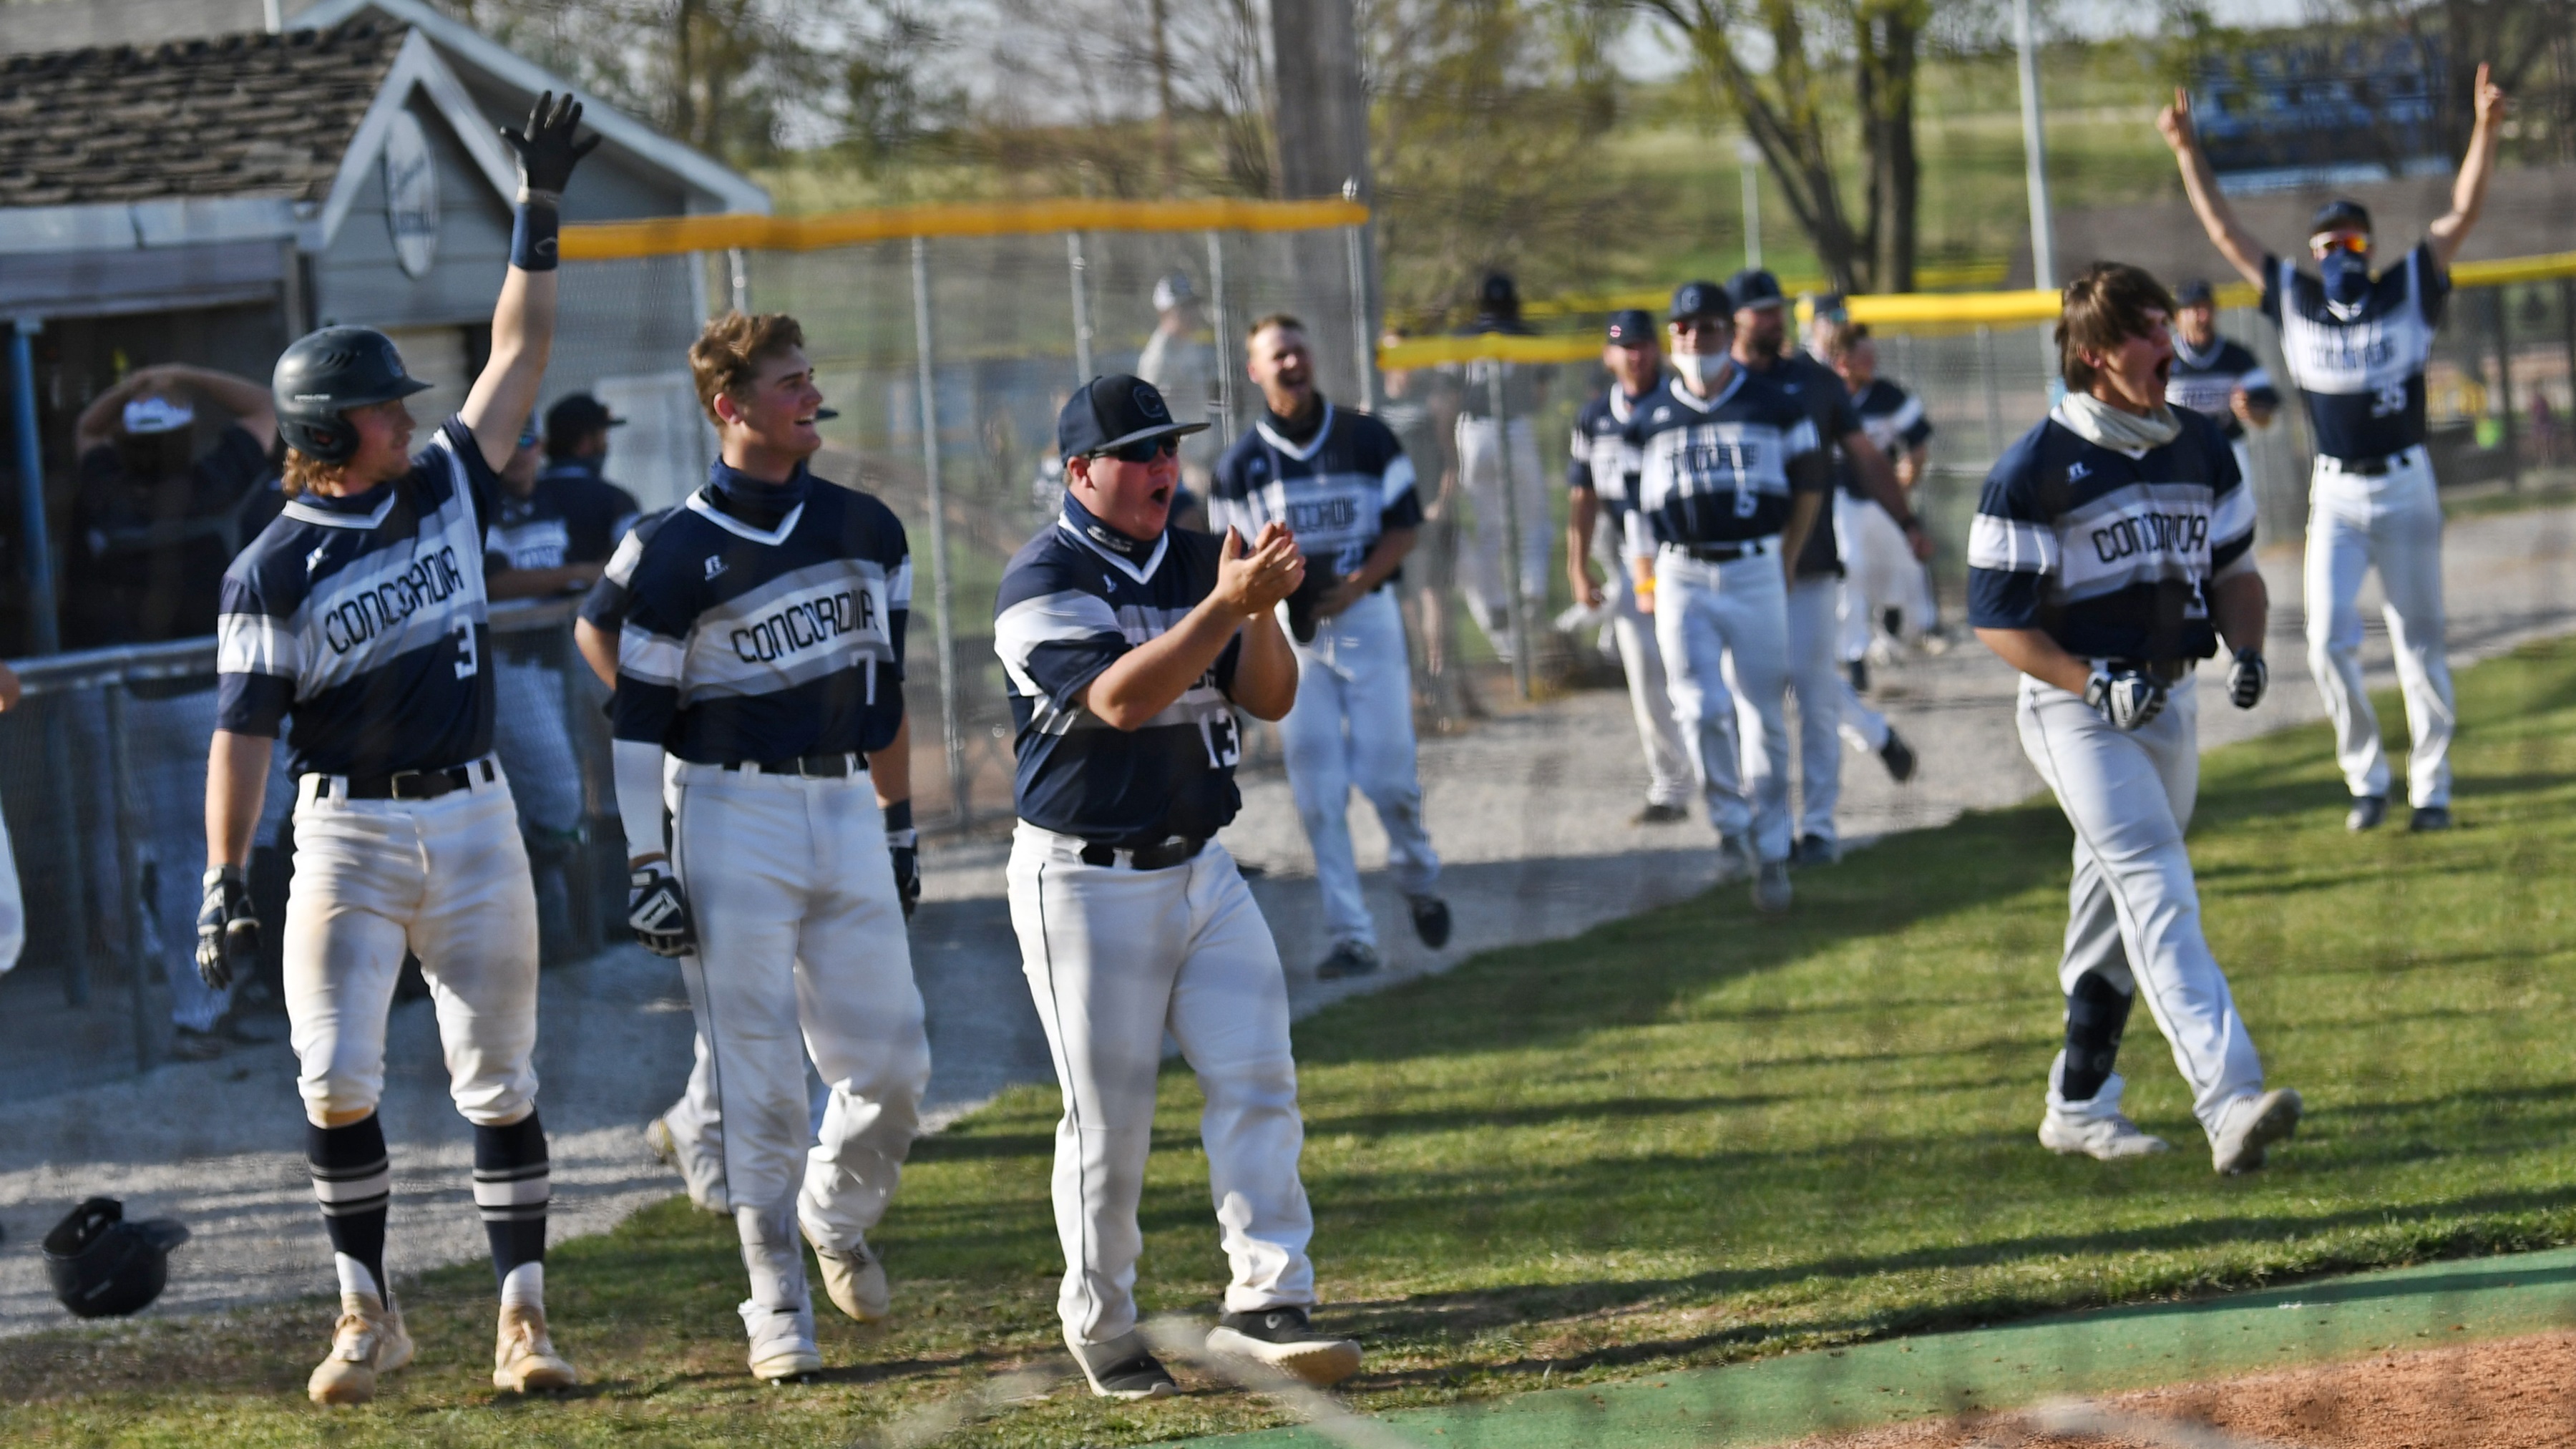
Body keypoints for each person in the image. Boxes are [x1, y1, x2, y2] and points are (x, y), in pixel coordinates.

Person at [198, 93, 596, 1405]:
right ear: (325, 434)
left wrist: (536, 214)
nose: (405, 419)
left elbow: (518, 352)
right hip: (349, 833)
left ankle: (523, 1321)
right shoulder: (270, 569)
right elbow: (244, 733)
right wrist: (222, 875)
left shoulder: (440, 486)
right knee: (333, 1075)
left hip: (475, 822)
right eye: (380, 408)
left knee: (499, 1079)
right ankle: (366, 1313)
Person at [995, 374, 1362, 1398]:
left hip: (1203, 865)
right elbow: (1121, 697)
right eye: (1140, 453)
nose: (1166, 467)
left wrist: (1260, 614)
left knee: (1258, 1077)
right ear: (1079, 473)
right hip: (1084, 880)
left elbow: (1271, 696)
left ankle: (1269, 1297)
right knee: (1110, 1121)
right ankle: (1104, 1327)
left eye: (1170, 448)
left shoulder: (1209, 555)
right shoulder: (1041, 576)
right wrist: (1223, 606)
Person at [607, 312, 929, 1383]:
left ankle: (833, 1217)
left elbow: (887, 701)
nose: (810, 395)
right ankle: (775, 1298)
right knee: (762, 1082)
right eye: (788, 382)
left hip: (843, 803)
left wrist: (901, 820)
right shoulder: (669, 547)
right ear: (728, 406)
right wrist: (648, 862)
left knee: (892, 1065)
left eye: (810, 375)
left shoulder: (870, 528)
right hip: (726, 812)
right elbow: (636, 720)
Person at [1967, 261, 2303, 1175]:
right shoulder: (2034, 466)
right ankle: (2229, 1100)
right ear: (2093, 354)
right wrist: (2086, 682)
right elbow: (2000, 619)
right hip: (2073, 710)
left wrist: (2250, 648)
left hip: (2169, 698)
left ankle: (2079, 1102)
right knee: (2156, 881)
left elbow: (2235, 568)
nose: (2167, 343)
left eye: (2165, 324)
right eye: (2145, 331)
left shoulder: (2200, 442)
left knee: (2111, 914)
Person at [2159, 66, 2509, 833]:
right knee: (2323, 641)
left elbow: (2463, 211)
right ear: (2316, 254)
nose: (2340, 251)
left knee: (2420, 643)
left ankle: (2435, 788)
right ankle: (2367, 780)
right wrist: (2189, 151)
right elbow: (2226, 234)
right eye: (2327, 243)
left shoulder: (2407, 283)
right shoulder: (2296, 296)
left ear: (2370, 245)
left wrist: (2484, 127)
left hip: (2407, 483)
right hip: (2338, 492)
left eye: (2351, 239)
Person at [1210, 316, 1451, 981]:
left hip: (1366, 620)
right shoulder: (1241, 466)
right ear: (1255, 372)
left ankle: (1419, 879)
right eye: (1276, 355)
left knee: (1389, 777)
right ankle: (1353, 935)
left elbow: (1405, 526)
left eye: (1299, 349)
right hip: (1291, 636)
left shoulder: (1365, 436)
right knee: (1317, 793)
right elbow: (1225, 566)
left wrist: (1355, 584)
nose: (1292, 362)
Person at [1624, 280, 1831, 912]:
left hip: (1754, 568)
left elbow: (1809, 487)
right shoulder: (1651, 414)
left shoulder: (1773, 403)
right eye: (1683, 330)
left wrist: (1788, 556)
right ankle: (1730, 826)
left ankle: (1772, 850)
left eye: (1708, 328)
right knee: (1697, 707)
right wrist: (1644, 576)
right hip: (1681, 570)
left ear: (1728, 333)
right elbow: (1633, 506)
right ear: (1671, 337)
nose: (1695, 340)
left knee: (1763, 712)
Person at [1728, 270, 1930, 865]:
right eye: (1758, 310)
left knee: (1814, 694)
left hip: (1811, 565)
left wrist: (1908, 521)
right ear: (1735, 319)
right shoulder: (1714, 386)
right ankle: (1763, 827)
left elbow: (1867, 457)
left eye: (1777, 310)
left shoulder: (1816, 384)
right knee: (1748, 701)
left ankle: (1817, 828)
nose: (1770, 320)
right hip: (1736, 569)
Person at [1565, 309, 1693, 825]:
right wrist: (1577, 566)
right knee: (1644, 674)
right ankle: (1672, 785)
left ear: (1657, 348)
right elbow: (1583, 495)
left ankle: (1734, 777)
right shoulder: (1594, 418)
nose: (1635, 355)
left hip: (1684, 554)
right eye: (1624, 346)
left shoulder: (1680, 402)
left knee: (1698, 669)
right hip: (1627, 559)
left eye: (1642, 344)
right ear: (1608, 354)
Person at [69, 363, 278, 647]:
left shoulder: (109, 495)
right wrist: (185, 375)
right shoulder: (217, 484)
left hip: (134, 671)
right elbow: (268, 406)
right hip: (222, 657)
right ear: (188, 437)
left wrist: (131, 388)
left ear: (123, 442)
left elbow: (88, 428)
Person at [1820, 321, 1940, 681]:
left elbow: (1917, 448)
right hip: (1840, 496)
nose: (1871, 360)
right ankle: (1853, 653)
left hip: (1881, 497)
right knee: (1850, 567)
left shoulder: (1887, 395)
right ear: (1841, 361)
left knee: (1902, 564)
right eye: (1862, 354)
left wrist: (1902, 485)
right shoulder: (1825, 395)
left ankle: (1898, 621)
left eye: (1871, 353)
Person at [1453, 270, 1551, 658]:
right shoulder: (1527, 335)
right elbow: (1541, 395)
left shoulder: (1462, 336)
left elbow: (1447, 393)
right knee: (1535, 522)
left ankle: (1497, 605)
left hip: (1473, 434)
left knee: (1492, 526)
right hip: (1515, 430)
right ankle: (1533, 595)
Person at [2162, 279, 2280, 492]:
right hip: (2179, 452)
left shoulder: (2237, 356)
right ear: (2177, 316)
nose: (2204, 317)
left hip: (2228, 448)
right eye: (2195, 309)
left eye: (2208, 308)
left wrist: (2249, 411)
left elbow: (2268, 410)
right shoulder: (2164, 359)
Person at [1136, 270, 1221, 494]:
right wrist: (1187, 465)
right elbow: (1153, 422)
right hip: (1180, 469)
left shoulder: (1188, 346)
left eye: (1192, 306)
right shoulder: (1159, 358)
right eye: (1183, 308)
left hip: (1204, 458)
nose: (1191, 313)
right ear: (1164, 313)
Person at [536, 391, 644, 556]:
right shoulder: (616, 501)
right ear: (585, 443)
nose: (606, 444)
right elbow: (640, 561)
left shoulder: (522, 498)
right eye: (602, 436)